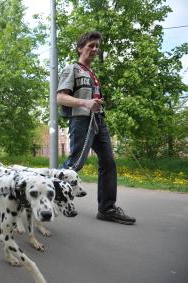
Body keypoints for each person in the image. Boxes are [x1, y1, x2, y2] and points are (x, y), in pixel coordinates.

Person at [56, 31, 136, 225]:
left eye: (97, 46)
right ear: (80, 48)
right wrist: (86, 103)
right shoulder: (72, 69)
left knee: (108, 162)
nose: (94, 49)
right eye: (91, 45)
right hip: (82, 121)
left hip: (99, 121)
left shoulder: (92, 74)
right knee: (75, 165)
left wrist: (96, 104)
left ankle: (107, 209)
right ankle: (48, 191)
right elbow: (60, 97)